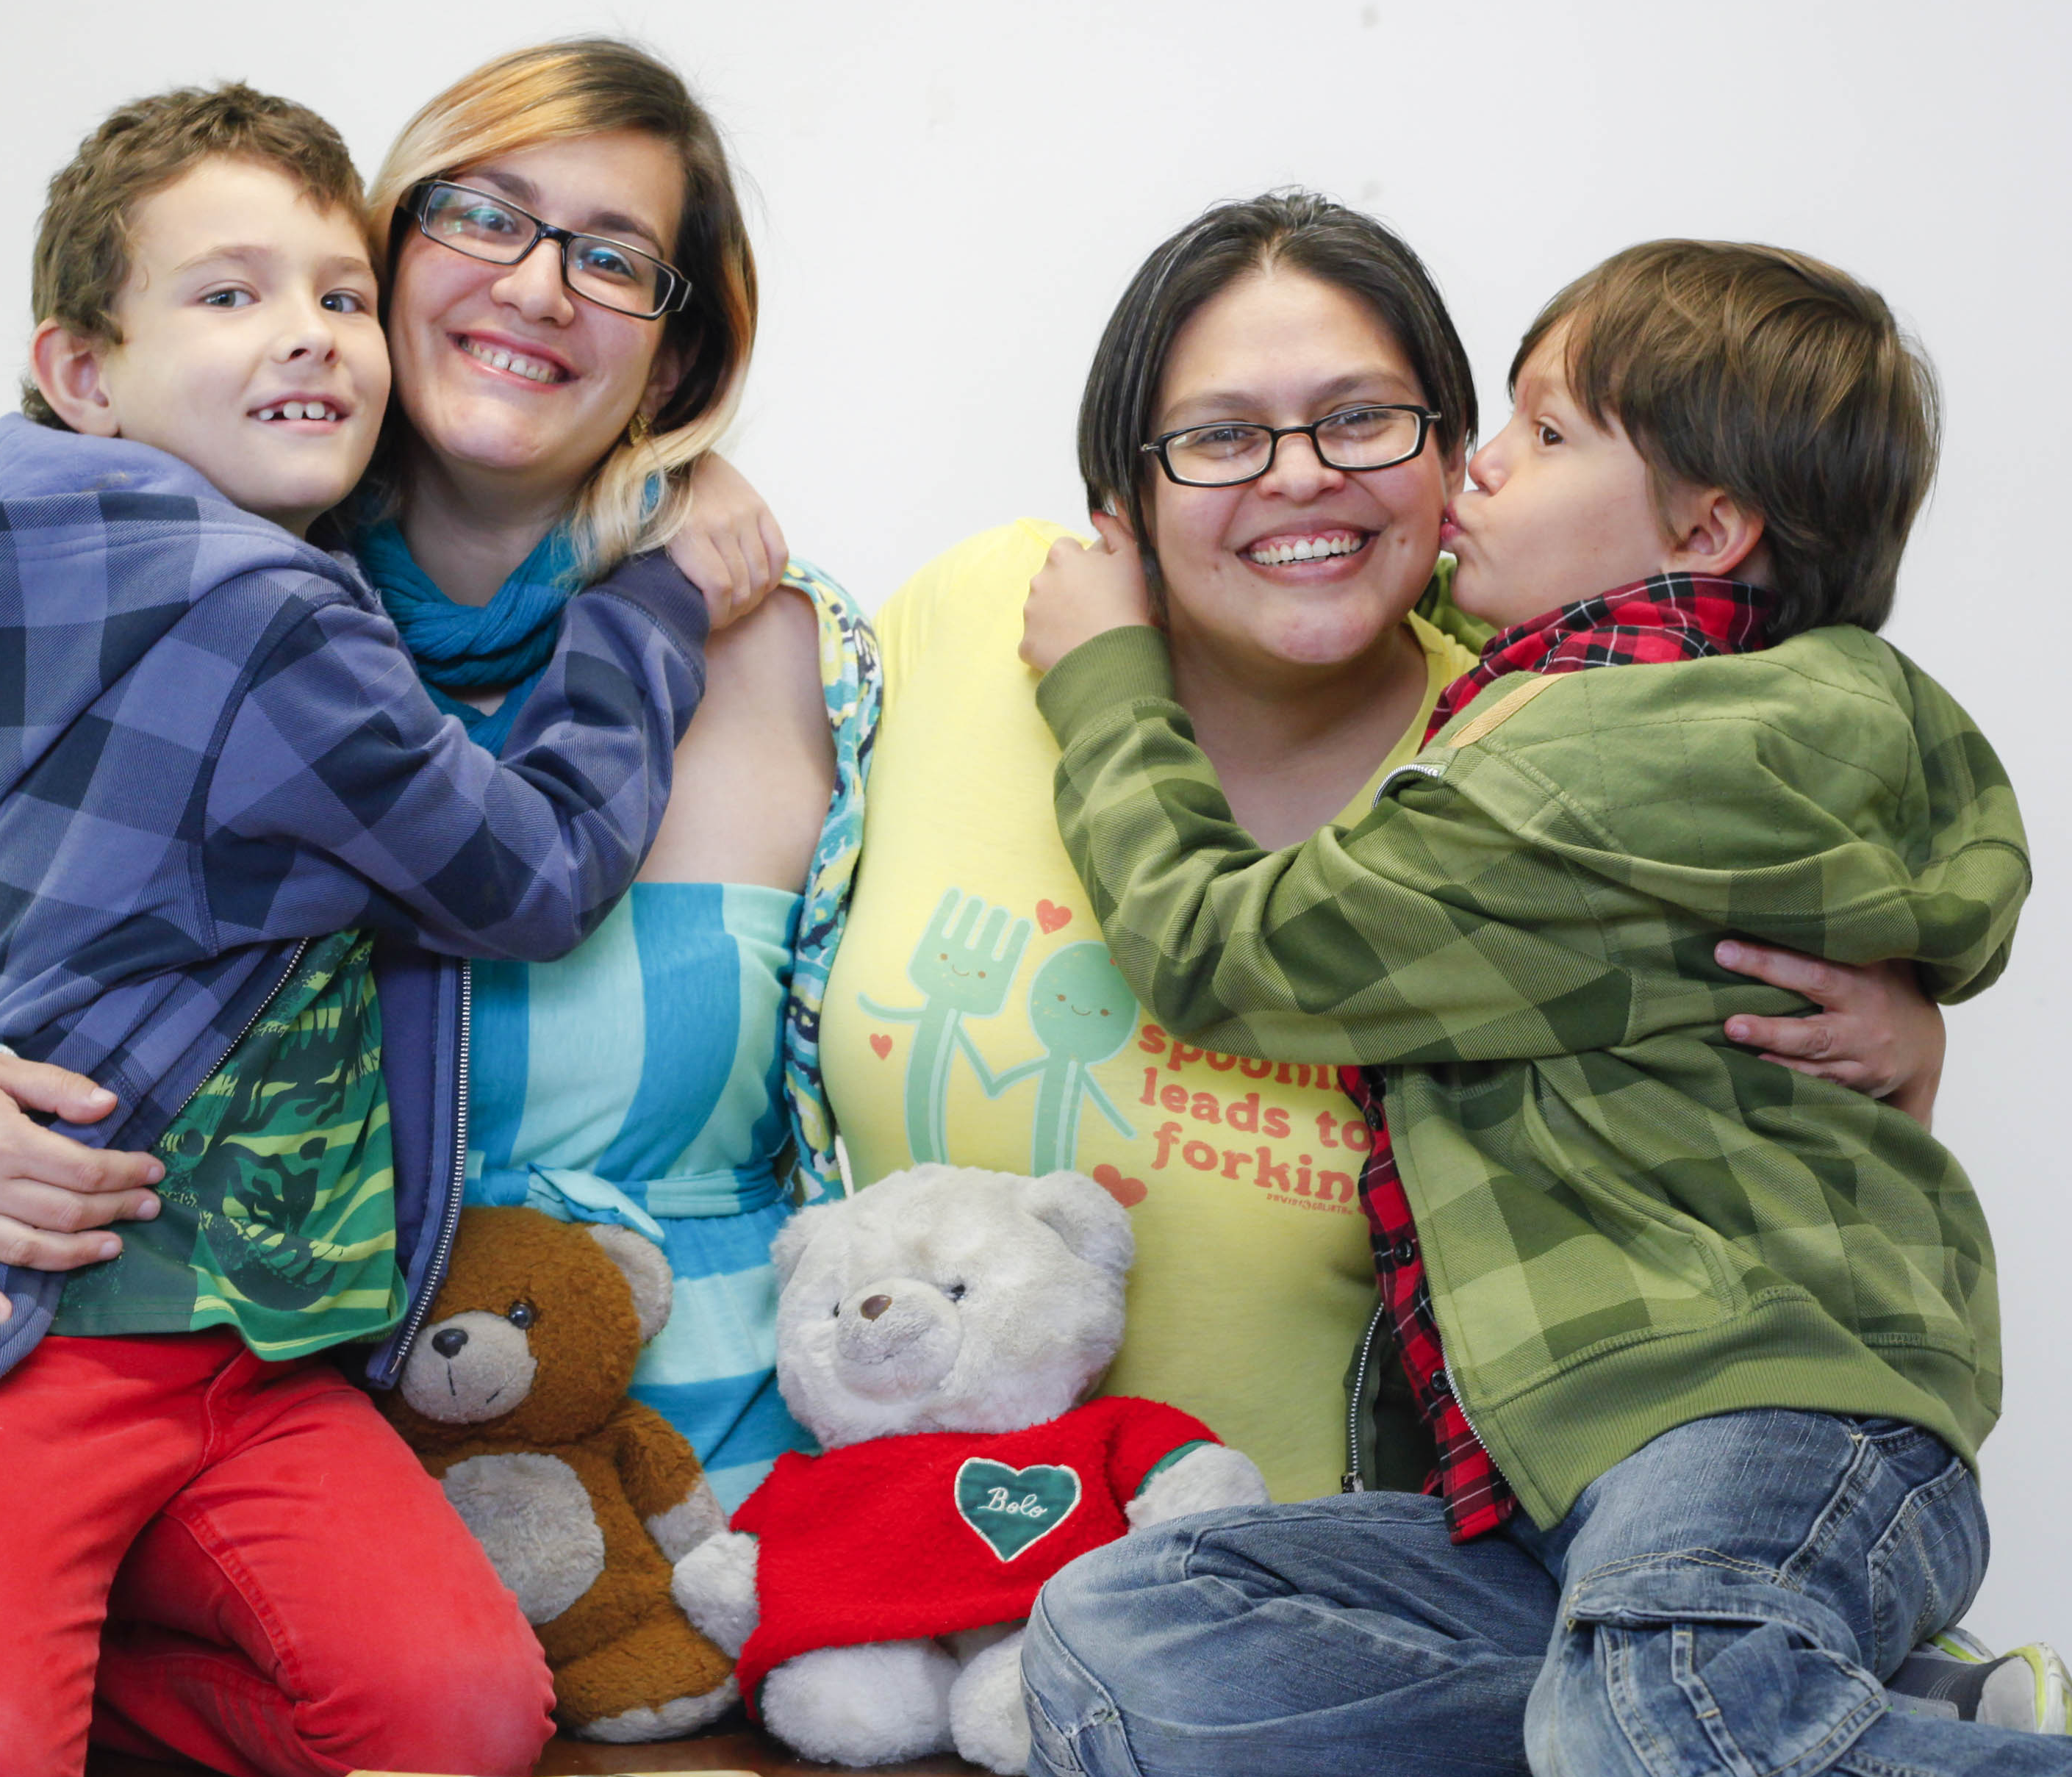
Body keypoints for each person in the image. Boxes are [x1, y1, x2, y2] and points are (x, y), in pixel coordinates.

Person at [0, 79, 769, 1777]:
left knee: (464, 1727)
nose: (308, 330)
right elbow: (521, 875)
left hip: (273, 1351)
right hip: (41, 1333)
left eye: (330, 294)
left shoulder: (95, 564)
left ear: (677, 355)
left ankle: (19, 1665)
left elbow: (56, 926)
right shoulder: (269, 596)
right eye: (230, 294)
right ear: (84, 369)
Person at [1018, 237, 2070, 1777]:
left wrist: (1106, 682)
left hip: (1746, 1414)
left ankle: (1704, 1743)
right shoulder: (1606, 712)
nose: (1485, 467)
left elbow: (1222, 949)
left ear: (1707, 529)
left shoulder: (1575, 767)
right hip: (1568, 1483)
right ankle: (1813, 1727)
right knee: (1111, 1658)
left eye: (1546, 432)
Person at [0, 40, 875, 1513]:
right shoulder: (221, 615)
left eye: (614, 258)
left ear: (673, 354)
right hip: (301, 1529)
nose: (538, 286)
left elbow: (898, 1101)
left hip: (722, 1526)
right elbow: (19, 976)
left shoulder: (802, 651)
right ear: (386, 267)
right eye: (482, 218)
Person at [823, 194, 1938, 1500]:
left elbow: (1763, 1168)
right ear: (1124, 482)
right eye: (1223, 433)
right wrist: (687, 483)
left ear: (1451, 459)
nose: (1299, 473)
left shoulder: (1550, 757)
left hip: (1356, 1631)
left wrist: (1907, 1021)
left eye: (1360, 418)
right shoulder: (978, 617)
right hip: (884, 1602)